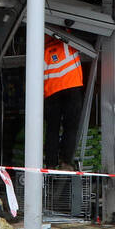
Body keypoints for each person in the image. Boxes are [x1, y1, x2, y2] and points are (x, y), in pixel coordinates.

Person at [43, 33, 85, 170]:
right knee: (70, 128)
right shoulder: (69, 40)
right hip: (72, 88)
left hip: (51, 92)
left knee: (52, 130)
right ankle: (66, 162)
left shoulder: (40, 49)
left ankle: (50, 163)